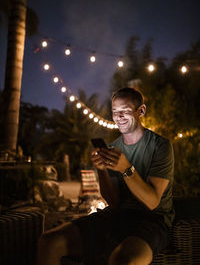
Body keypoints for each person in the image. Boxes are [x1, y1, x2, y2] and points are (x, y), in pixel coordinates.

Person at [36, 87, 174, 265]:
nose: (119, 117)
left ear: (141, 111)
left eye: (125, 111)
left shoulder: (160, 146)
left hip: (152, 221)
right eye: (115, 112)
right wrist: (101, 170)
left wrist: (126, 169)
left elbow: (152, 202)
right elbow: (114, 201)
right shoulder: (113, 149)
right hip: (116, 215)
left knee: (123, 259)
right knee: (48, 242)